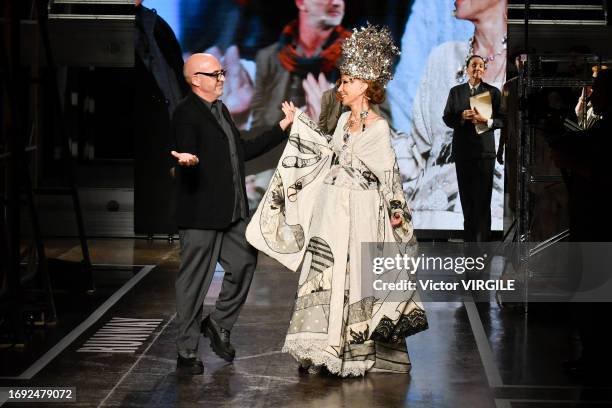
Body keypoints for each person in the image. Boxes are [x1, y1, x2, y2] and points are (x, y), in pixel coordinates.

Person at [246, 25, 428, 377]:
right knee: (323, 277)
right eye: (341, 80)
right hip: (332, 212)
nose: (340, 87)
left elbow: (388, 179)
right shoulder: (343, 119)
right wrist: (300, 124)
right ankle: (318, 347)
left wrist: (396, 217)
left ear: (363, 85)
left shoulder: (377, 128)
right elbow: (328, 154)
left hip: (360, 214)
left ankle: (349, 351)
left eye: (346, 81)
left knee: (353, 281)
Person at [170, 53, 292, 375]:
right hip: (201, 215)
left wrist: (282, 128)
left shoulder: (220, 110)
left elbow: (243, 150)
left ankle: (219, 323)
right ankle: (186, 353)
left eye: (222, 72)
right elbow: (185, 149)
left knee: (244, 263)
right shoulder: (186, 113)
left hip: (232, 214)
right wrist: (187, 161)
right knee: (194, 284)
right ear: (196, 79)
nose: (223, 78)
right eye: (215, 74)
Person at [398, 0, 507, 231]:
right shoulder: (443, 57)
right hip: (432, 218)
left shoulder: (518, 65)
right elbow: (420, 145)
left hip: (498, 220)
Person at [134, 0, 188, 235]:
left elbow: (176, 78)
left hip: (168, 126)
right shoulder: (104, 26)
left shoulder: (158, 26)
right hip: (138, 134)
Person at [443, 55, 504, 242]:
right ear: (467, 68)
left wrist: (487, 121)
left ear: (484, 70)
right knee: (467, 200)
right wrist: (462, 116)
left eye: (480, 66)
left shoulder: (493, 92)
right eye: (473, 65)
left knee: (483, 200)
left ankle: (483, 242)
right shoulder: (456, 92)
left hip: (485, 152)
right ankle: (469, 242)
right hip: (463, 152)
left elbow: (503, 120)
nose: (477, 68)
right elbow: (447, 118)